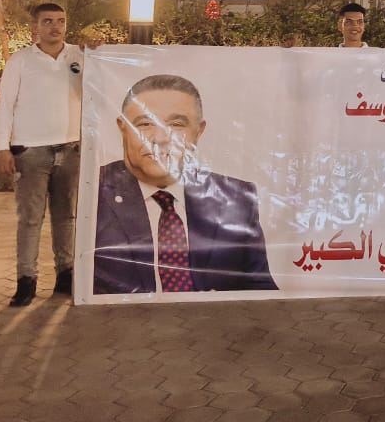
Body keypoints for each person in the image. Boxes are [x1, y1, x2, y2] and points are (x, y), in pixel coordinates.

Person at [93, 74, 277, 294]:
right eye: (145, 124)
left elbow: (261, 293)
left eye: (176, 124)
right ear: (122, 128)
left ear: (199, 131)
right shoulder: (91, 192)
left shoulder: (235, 199)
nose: (160, 138)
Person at [0, 3, 89, 307]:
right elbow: (5, 105)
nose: (55, 27)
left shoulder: (79, 56)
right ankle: (26, 280)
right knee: (30, 219)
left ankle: (66, 274)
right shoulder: (21, 60)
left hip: (70, 148)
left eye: (60, 21)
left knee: (66, 216)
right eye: (47, 21)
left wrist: (97, 52)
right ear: (35, 27)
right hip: (31, 151)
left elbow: (98, 89)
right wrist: (2, 147)